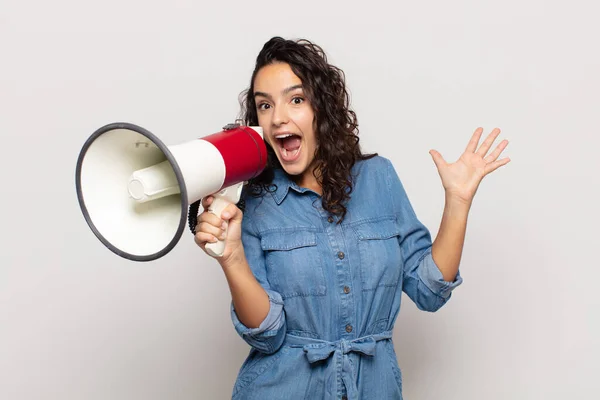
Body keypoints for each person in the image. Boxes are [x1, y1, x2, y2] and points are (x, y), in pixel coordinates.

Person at [193, 37, 510, 400]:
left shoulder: (379, 178)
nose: (278, 117)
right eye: (265, 105)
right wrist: (231, 258)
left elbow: (429, 291)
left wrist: (457, 202)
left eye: (296, 99)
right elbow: (268, 333)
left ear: (322, 109)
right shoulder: (255, 199)